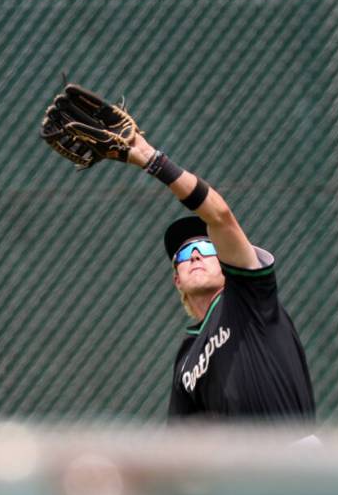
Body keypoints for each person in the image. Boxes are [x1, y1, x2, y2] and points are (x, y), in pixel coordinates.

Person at [41, 84, 315, 422]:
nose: (196, 256)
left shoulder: (248, 298)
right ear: (177, 281)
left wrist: (150, 159)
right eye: (185, 255)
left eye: (204, 247)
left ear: (225, 263)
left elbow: (220, 216)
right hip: (244, 473)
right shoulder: (187, 361)